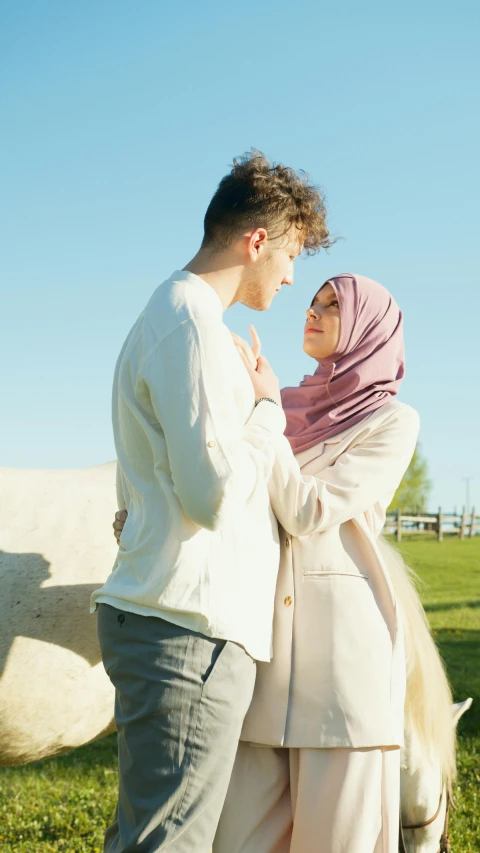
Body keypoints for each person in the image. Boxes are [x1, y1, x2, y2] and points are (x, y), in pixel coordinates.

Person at [115, 273, 419, 853]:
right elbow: (225, 487)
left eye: (335, 306)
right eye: (313, 300)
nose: (314, 310)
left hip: (342, 671)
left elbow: (309, 509)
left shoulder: (391, 422)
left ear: (370, 329)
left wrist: (267, 409)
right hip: (259, 656)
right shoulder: (280, 406)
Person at [91, 150, 331, 853]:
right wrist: (266, 411)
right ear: (258, 241)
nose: (292, 276)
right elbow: (211, 494)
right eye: (289, 256)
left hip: (177, 621)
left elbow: (158, 482)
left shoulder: (178, 318)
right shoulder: (189, 321)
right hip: (188, 630)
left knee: (150, 835)